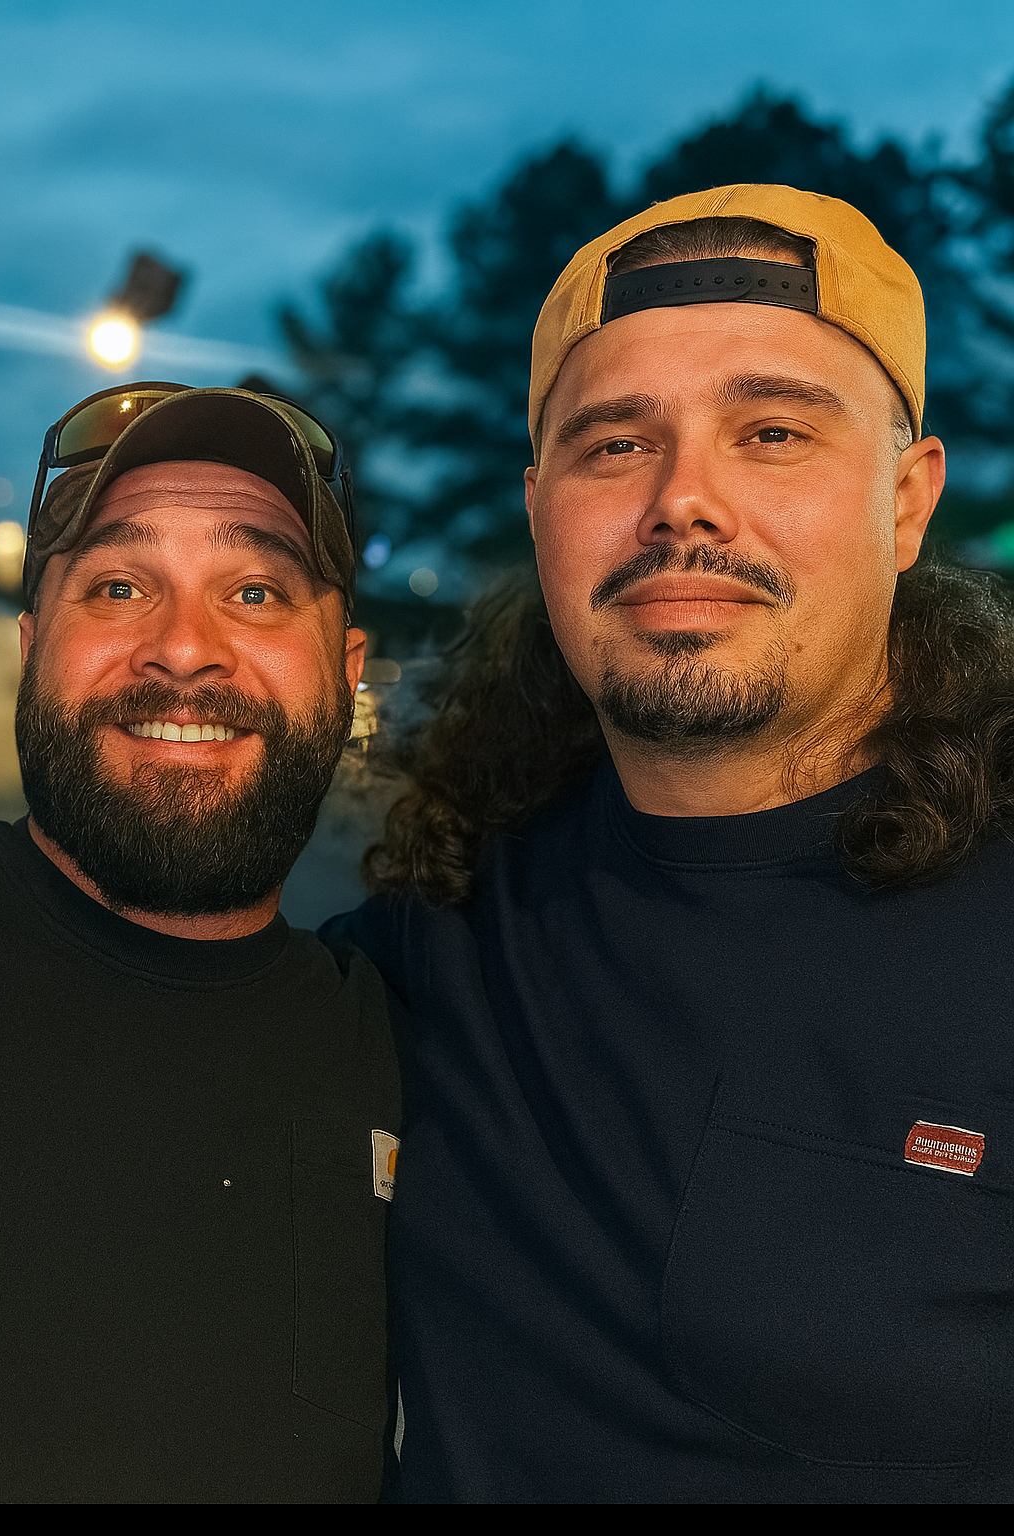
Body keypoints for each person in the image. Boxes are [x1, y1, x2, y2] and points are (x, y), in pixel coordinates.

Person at [339, 185, 1014, 1503]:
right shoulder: (446, 931)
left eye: (770, 432)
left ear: (908, 500)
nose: (683, 503)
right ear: (539, 512)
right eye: (612, 446)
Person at [0, 384, 399, 1504]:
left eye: (256, 590)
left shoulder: (405, 1042)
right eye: (120, 587)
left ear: (347, 670)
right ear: (33, 647)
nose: (183, 649)